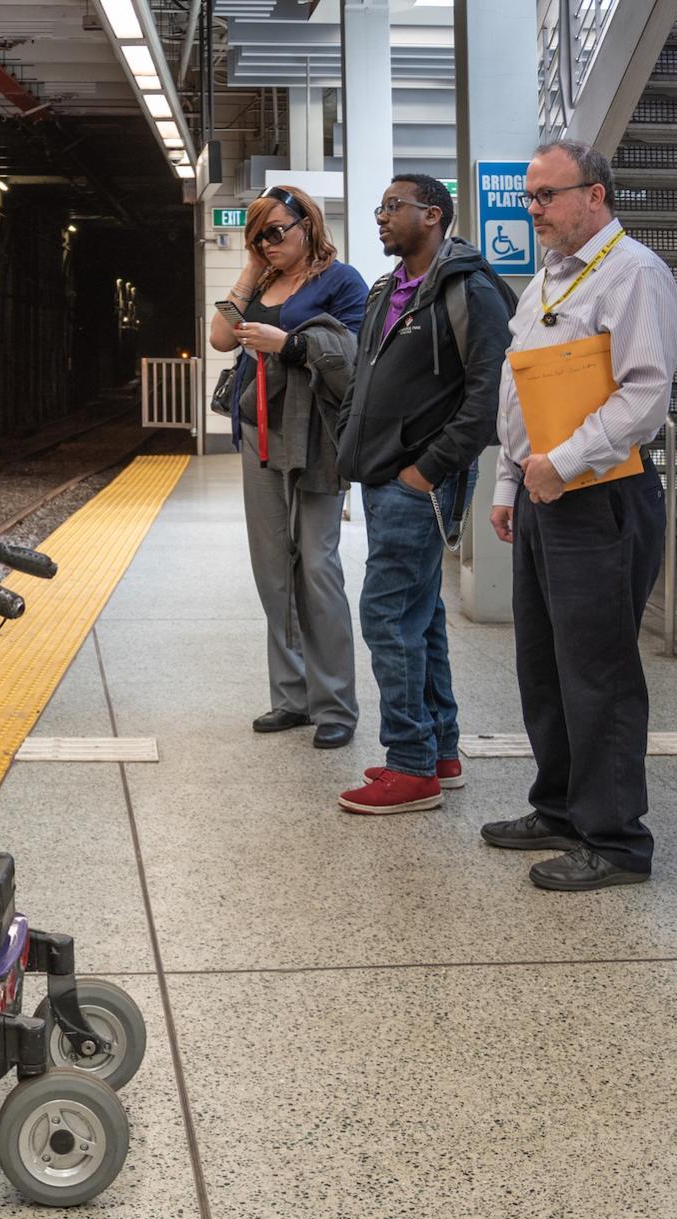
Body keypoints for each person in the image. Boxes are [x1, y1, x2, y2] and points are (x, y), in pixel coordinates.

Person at [482, 140, 677, 891]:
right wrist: (509, 483)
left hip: (600, 495)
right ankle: (561, 805)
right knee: (543, 662)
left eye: (546, 196)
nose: (533, 211)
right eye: (530, 198)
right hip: (540, 494)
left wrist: (558, 467)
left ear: (594, 196)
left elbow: (643, 396)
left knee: (599, 671)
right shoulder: (544, 284)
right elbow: (518, 391)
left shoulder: (634, 275)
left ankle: (617, 840)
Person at [334, 176, 515, 815]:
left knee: (385, 615)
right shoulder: (387, 291)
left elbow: (489, 394)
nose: (381, 217)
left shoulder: (471, 289)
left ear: (432, 215)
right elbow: (364, 376)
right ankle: (440, 749)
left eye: (393, 207)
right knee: (421, 616)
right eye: (379, 207)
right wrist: (349, 444)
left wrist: (429, 469)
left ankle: (409, 766)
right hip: (381, 475)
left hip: (419, 482)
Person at [208, 185, 368, 749]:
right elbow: (220, 336)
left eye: (277, 232)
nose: (268, 243)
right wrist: (250, 271)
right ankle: (291, 697)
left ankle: (335, 707)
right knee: (273, 568)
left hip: (316, 438)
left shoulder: (341, 281)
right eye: (259, 236)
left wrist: (288, 344)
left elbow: (351, 356)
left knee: (317, 567)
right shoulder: (262, 280)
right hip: (258, 435)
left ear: (308, 224)